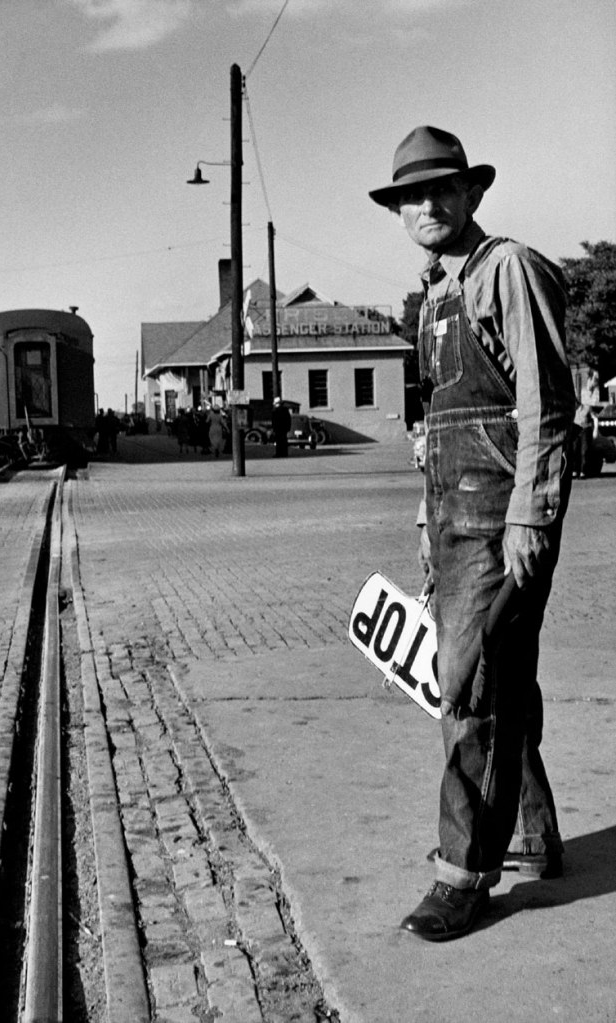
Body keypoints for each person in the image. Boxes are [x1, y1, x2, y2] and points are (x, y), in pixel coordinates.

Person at [369, 126, 576, 941]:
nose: (427, 205)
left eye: (441, 190)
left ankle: (462, 876)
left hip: (503, 514)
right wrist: (427, 523)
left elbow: (545, 405)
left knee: (472, 689)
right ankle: (530, 833)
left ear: (471, 194)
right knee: (501, 677)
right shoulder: (434, 295)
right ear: (397, 212)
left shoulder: (507, 271)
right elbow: (436, 427)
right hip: (453, 515)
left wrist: (531, 513)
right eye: (410, 196)